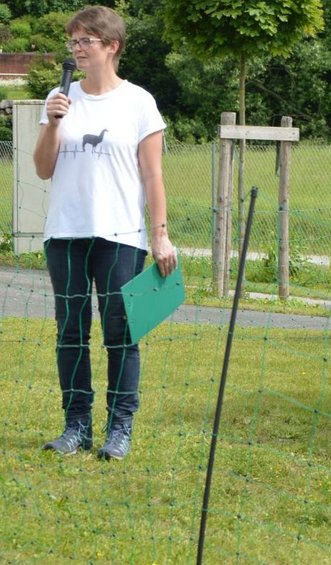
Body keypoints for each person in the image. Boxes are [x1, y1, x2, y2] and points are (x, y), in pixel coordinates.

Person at [33, 5, 177, 461]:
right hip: (66, 233)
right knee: (71, 332)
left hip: (120, 235)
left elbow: (152, 176)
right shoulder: (60, 98)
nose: (76, 50)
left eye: (84, 42)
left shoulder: (139, 102)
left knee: (121, 331)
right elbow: (42, 168)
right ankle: (76, 426)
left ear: (111, 46)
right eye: (72, 42)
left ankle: (120, 428)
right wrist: (53, 123)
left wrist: (160, 234)